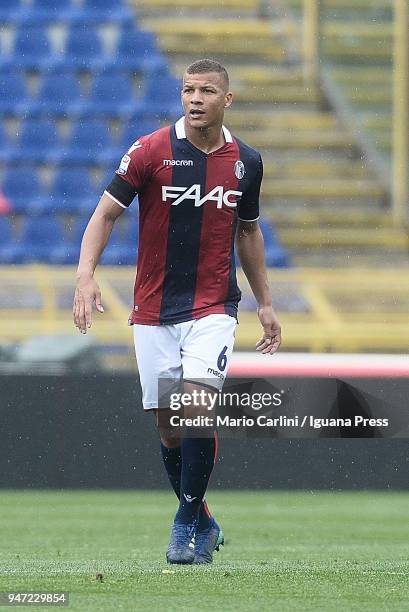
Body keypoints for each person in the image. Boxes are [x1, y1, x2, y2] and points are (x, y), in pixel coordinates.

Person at [73, 58, 281, 564]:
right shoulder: (150, 151)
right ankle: (203, 518)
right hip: (153, 308)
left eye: (207, 91)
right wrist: (84, 274)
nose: (195, 99)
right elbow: (105, 214)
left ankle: (184, 524)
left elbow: (248, 233)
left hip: (213, 306)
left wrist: (266, 304)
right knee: (169, 425)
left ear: (225, 100)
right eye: (188, 89)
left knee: (196, 406)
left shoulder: (245, 162)